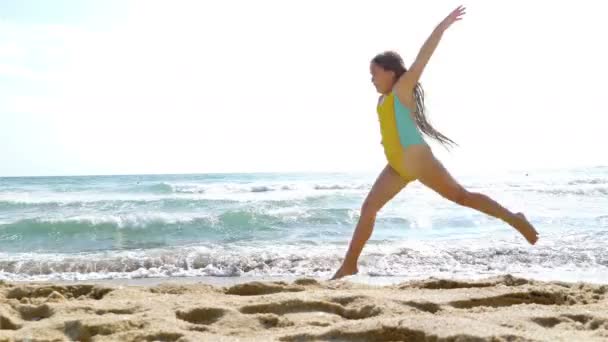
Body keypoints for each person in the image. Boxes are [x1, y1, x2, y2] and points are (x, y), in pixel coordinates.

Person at [331, 5, 539, 280]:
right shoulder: (382, 99)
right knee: (368, 209)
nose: (371, 79)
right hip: (397, 166)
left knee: (461, 197)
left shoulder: (401, 89)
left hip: (419, 160)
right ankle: (349, 265)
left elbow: (423, 57)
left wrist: (442, 26)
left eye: (374, 74)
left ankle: (514, 218)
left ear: (390, 72)